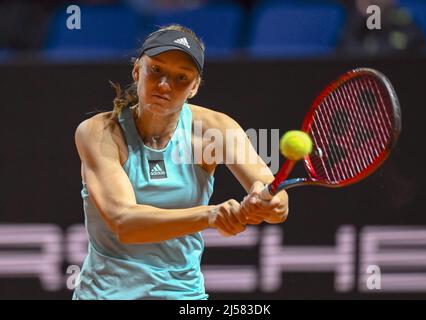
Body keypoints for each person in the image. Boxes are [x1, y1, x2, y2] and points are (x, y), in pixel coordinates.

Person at [73, 24, 289, 300]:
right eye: (156, 70)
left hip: (184, 297)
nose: (164, 85)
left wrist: (269, 202)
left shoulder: (216, 130)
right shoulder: (99, 132)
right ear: (137, 70)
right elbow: (125, 222)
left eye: (181, 77)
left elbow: (275, 199)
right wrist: (209, 216)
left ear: (194, 87)